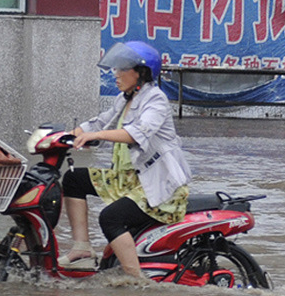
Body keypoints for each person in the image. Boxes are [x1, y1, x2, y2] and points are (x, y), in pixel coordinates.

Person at [59, 41, 191, 278]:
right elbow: (100, 123)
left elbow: (136, 133)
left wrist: (95, 135)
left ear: (141, 73)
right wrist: (66, 135)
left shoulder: (156, 100)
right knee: (72, 179)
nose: (116, 74)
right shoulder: (124, 99)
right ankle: (81, 249)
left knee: (110, 217)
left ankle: (135, 280)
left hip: (156, 187)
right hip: (126, 180)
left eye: (122, 69)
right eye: (115, 69)